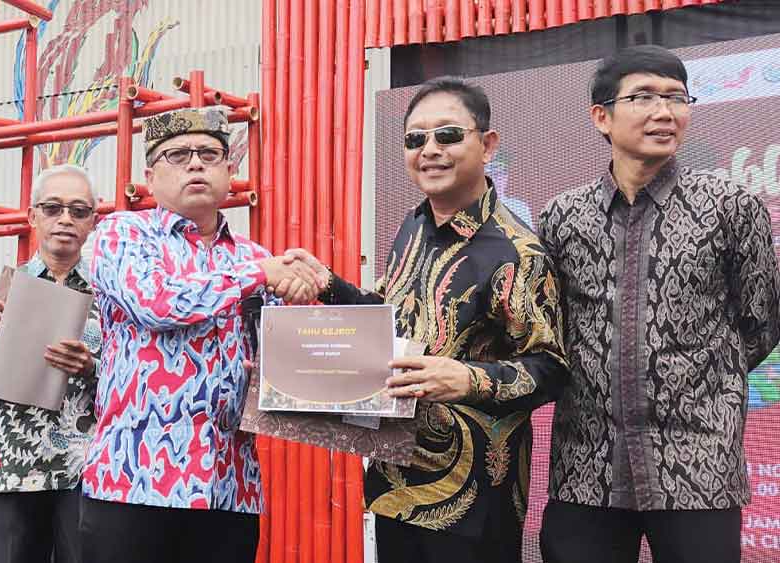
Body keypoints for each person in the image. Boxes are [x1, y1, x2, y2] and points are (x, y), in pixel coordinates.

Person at [288, 77, 568, 563]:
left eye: (448, 135)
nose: (430, 149)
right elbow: (391, 321)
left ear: (488, 145)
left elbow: (551, 368)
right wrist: (328, 286)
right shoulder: (414, 225)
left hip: (473, 503)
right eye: (415, 138)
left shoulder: (518, 252)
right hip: (396, 481)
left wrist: (468, 378)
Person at [537, 45, 780, 563]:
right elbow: (552, 328)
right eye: (644, 97)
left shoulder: (731, 208)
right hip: (587, 468)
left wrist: (697, 380)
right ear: (601, 117)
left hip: (698, 468)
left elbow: (760, 323)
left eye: (676, 98)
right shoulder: (562, 217)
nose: (664, 112)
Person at [81, 107, 316, 563]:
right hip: (133, 482)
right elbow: (156, 302)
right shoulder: (122, 234)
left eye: (209, 154)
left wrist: (303, 292)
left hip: (230, 487)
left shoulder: (253, 255)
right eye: (177, 155)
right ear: (150, 177)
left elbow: (284, 356)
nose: (195, 163)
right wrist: (259, 275)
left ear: (229, 172)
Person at [0, 165, 101, 563]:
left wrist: (93, 367)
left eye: (78, 211)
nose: (65, 219)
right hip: (12, 470)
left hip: (84, 471)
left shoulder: (112, 296)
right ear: (32, 216)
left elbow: (137, 378)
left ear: (93, 220)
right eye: (53, 208)